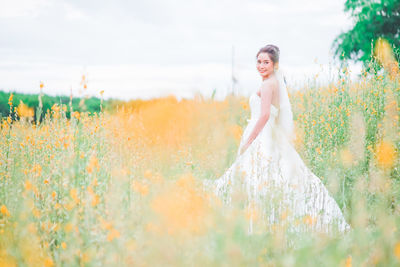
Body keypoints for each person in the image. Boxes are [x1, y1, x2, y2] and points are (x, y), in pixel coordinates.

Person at [203, 44, 350, 235]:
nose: (261, 66)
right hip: (272, 135)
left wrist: (249, 141)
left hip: (263, 135)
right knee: (273, 177)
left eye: (266, 62)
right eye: (259, 62)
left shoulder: (267, 85)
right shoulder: (275, 83)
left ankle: (253, 224)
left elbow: (264, 116)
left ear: (274, 64)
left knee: (255, 177)